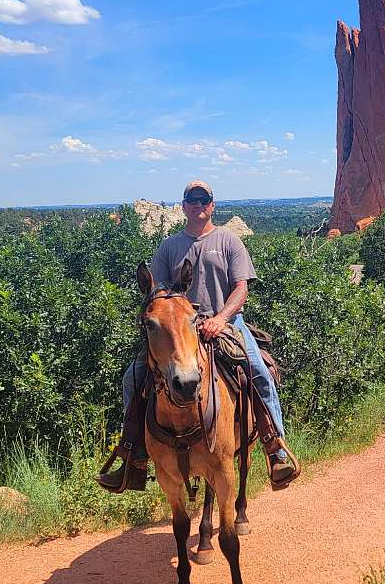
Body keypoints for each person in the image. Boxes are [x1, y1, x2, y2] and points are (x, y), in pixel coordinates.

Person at [96, 180, 296, 492]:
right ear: (184, 205)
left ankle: (276, 449)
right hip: (179, 329)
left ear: (212, 205)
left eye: (204, 199)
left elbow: (241, 288)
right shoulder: (169, 247)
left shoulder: (228, 240)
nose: (198, 204)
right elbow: (156, 294)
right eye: (192, 199)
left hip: (226, 322)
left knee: (258, 371)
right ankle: (132, 457)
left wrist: (221, 318)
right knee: (133, 377)